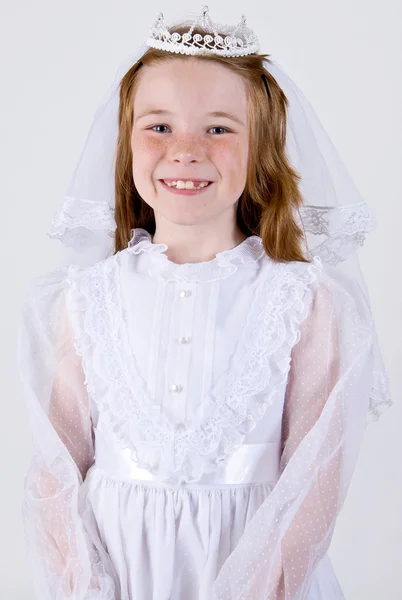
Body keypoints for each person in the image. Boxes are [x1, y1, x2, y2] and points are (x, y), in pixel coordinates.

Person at [18, 6, 392, 600]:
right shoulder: (83, 300)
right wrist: (85, 587)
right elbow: (55, 470)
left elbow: (315, 478)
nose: (185, 149)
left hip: (262, 578)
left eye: (218, 128)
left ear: (260, 146)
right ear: (126, 141)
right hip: (118, 582)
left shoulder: (306, 301)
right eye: (159, 126)